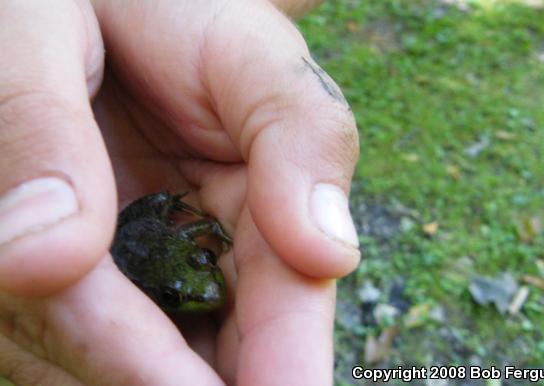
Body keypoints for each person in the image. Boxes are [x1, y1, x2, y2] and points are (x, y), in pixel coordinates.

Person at [0, 1, 360, 385]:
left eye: (206, 260)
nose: (210, 289)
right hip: (120, 244)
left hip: (142, 229)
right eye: (172, 295)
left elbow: (189, 232)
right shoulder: (144, 284)